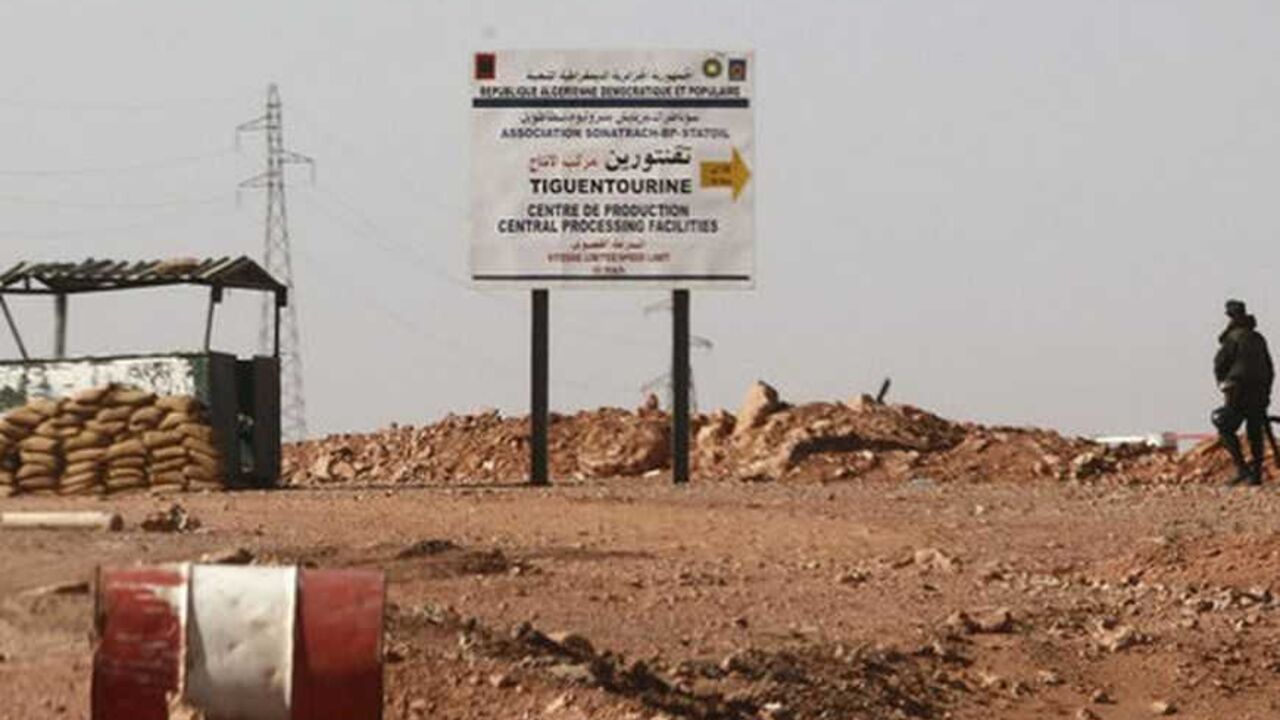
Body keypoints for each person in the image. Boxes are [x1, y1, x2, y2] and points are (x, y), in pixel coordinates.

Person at [1212, 299, 1275, 485]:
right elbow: (1270, 369)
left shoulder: (1233, 338)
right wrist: (1266, 393)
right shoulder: (1258, 338)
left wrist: (1222, 383)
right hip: (1260, 393)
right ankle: (1255, 475)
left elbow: (1219, 364)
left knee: (1224, 426)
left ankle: (1242, 469)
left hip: (1238, 392)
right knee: (1255, 432)